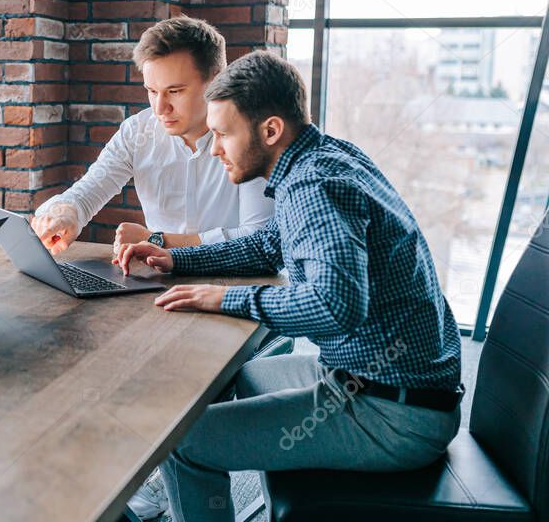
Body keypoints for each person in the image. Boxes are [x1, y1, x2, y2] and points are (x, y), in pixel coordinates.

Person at [117, 50, 463, 522]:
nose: (214, 148)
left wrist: (225, 298)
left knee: (183, 443)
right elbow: (266, 247)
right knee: (243, 378)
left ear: (271, 130)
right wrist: (175, 258)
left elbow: (335, 305)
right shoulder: (325, 156)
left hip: (394, 415)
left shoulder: (311, 186)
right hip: (384, 384)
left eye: (222, 134)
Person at [31, 16, 273, 258]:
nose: (160, 108)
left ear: (216, 80)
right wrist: (67, 212)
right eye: (152, 91)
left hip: (235, 287)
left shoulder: (252, 134)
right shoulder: (137, 132)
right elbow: (87, 193)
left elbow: (260, 239)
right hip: (158, 284)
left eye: (175, 91)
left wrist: (157, 241)